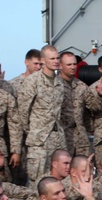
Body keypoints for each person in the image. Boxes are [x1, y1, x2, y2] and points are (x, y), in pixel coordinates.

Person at [17, 45, 66, 180]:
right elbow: (23, 111)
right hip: (39, 140)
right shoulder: (32, 81)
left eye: (57, 58)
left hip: (57, 139)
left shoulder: (59, 81)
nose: (56, 61)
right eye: (52, 58)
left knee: (58, 179)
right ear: (43, 60)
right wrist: (33, 130)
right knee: (38, 180)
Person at [58, 51, 97, 156]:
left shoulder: (81, 86)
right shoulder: (54, 86)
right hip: (62, 137)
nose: (72, 67)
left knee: (84, 167)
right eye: (69, 64)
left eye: (74, 64)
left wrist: (100, 95)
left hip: (80, 138)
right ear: (60, 66)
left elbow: (94, 106)